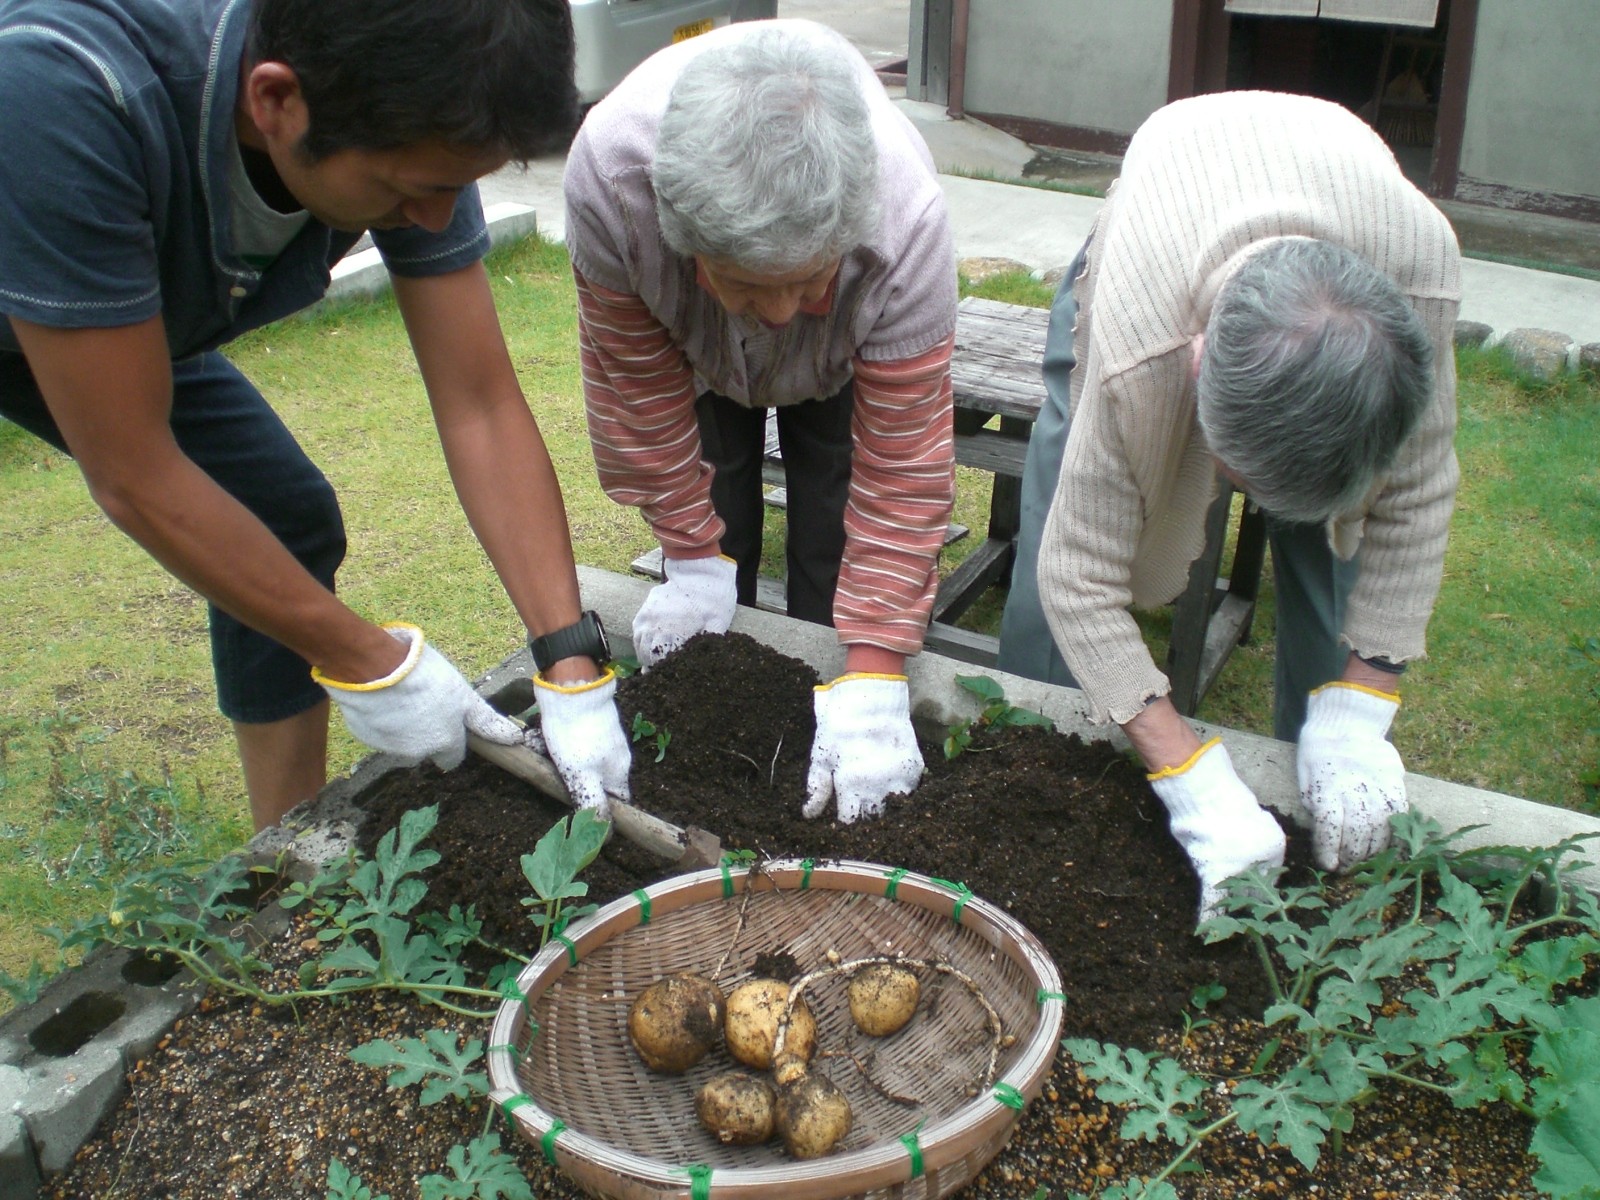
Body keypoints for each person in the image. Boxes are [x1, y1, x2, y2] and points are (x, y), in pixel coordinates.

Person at [0, 0, 632, 831]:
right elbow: (135, 472)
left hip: (119, 315)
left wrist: (568, 661)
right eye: (418, 189)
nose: (438, 218)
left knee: (279, 513)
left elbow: (478, 402)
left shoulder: (397, 105)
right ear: (274, 102)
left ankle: (282, 852)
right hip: (45, 297)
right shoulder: (67, 93)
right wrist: (368, 660)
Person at [995, 91, 1461, 921]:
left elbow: (1419, 489)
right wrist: (1193, 779)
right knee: (1064, 522)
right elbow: (1077, 574)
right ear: (1201, 367)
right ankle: (1041, 753)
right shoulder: (1142, 345)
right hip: (1157, 233)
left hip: (1346, 212)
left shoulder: (1418, 287)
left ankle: (1317, 783)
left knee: (1334, 572)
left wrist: (1362, 702)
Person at [563, 19, 959, 823]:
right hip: (696, 350)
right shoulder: (613, 183)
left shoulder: (906, 221)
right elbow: (638, 393)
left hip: (847, 359)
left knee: (834, 516)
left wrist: (878, 666)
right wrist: (690, 553)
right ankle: (719, 638)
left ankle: (830, 684)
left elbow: (904, 470)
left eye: (810, 281)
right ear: (684, 243)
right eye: (752, 288)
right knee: (723, 498)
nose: (784, 316)